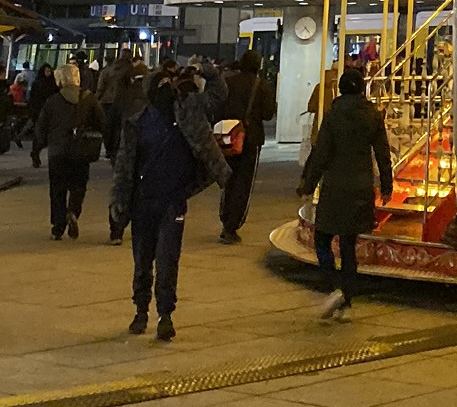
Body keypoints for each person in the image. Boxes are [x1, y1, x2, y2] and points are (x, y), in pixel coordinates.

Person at [110, 65, 230, 340]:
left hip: (172, 202)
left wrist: (206, 70)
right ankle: (141, 310)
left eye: (170, 83)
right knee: (142, 261)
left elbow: (218, 93)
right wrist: (118, 199)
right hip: (143, 202)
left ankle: (165, 314)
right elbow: (124, 165)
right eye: (161, 84)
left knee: (167, 260)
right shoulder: (138, 123)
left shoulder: (187, 115)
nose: (167, 88)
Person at [299, 65, 393, 322]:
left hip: (336, 186)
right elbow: (383, 154)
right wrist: (386, 185)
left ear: (340, 89)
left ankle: (334, 288)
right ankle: (346, 300)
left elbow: (321, 154)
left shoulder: (333, 115)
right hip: (361, 186)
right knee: (349, 245)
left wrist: (308, 184)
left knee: (322, 239)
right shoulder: (373, 115)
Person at [33, 63, 102, 240]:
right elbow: (102, 122)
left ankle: (58, 226)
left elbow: (41, 127)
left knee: (57, 189)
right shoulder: (89, 98)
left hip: (58, 152)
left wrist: (37, 150)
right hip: (81, 151)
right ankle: (73, 212)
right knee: (79, 186)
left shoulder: (52, 101)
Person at [216, 49, 277, 243]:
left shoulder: (228, 82)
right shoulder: (262, 86)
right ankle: (232, 226)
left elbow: (218, 107)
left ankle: (225, 218)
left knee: (229, 179)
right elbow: (268, 114)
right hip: (251, 139)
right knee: (244, 182)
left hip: (230, 136)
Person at [24, 65, 57, 165]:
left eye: (49, 71)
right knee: (39, 136)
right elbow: (33, 99)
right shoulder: (37, 83)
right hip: (39, 112)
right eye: (47, 71)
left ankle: (35, 152)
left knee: (47, 136)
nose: (48, 73)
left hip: (50, 113)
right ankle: (35, 153)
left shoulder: (53, 83)